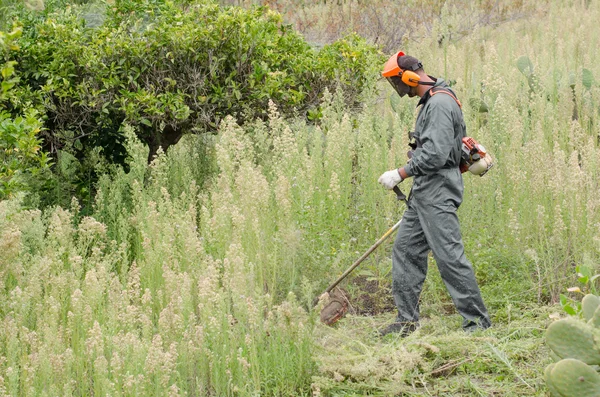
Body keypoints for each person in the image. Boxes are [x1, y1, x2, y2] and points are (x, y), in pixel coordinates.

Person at [377, 51, 491, 337]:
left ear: (410, 77)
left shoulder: (439, 103)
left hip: (438, 191)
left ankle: (477, 324)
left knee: (449, 256)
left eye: (396, 82)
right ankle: (406, 322)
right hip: (425, 191)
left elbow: (438, 154)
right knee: (405, 251)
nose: (397, 88)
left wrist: (400, 173)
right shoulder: (432, 100)